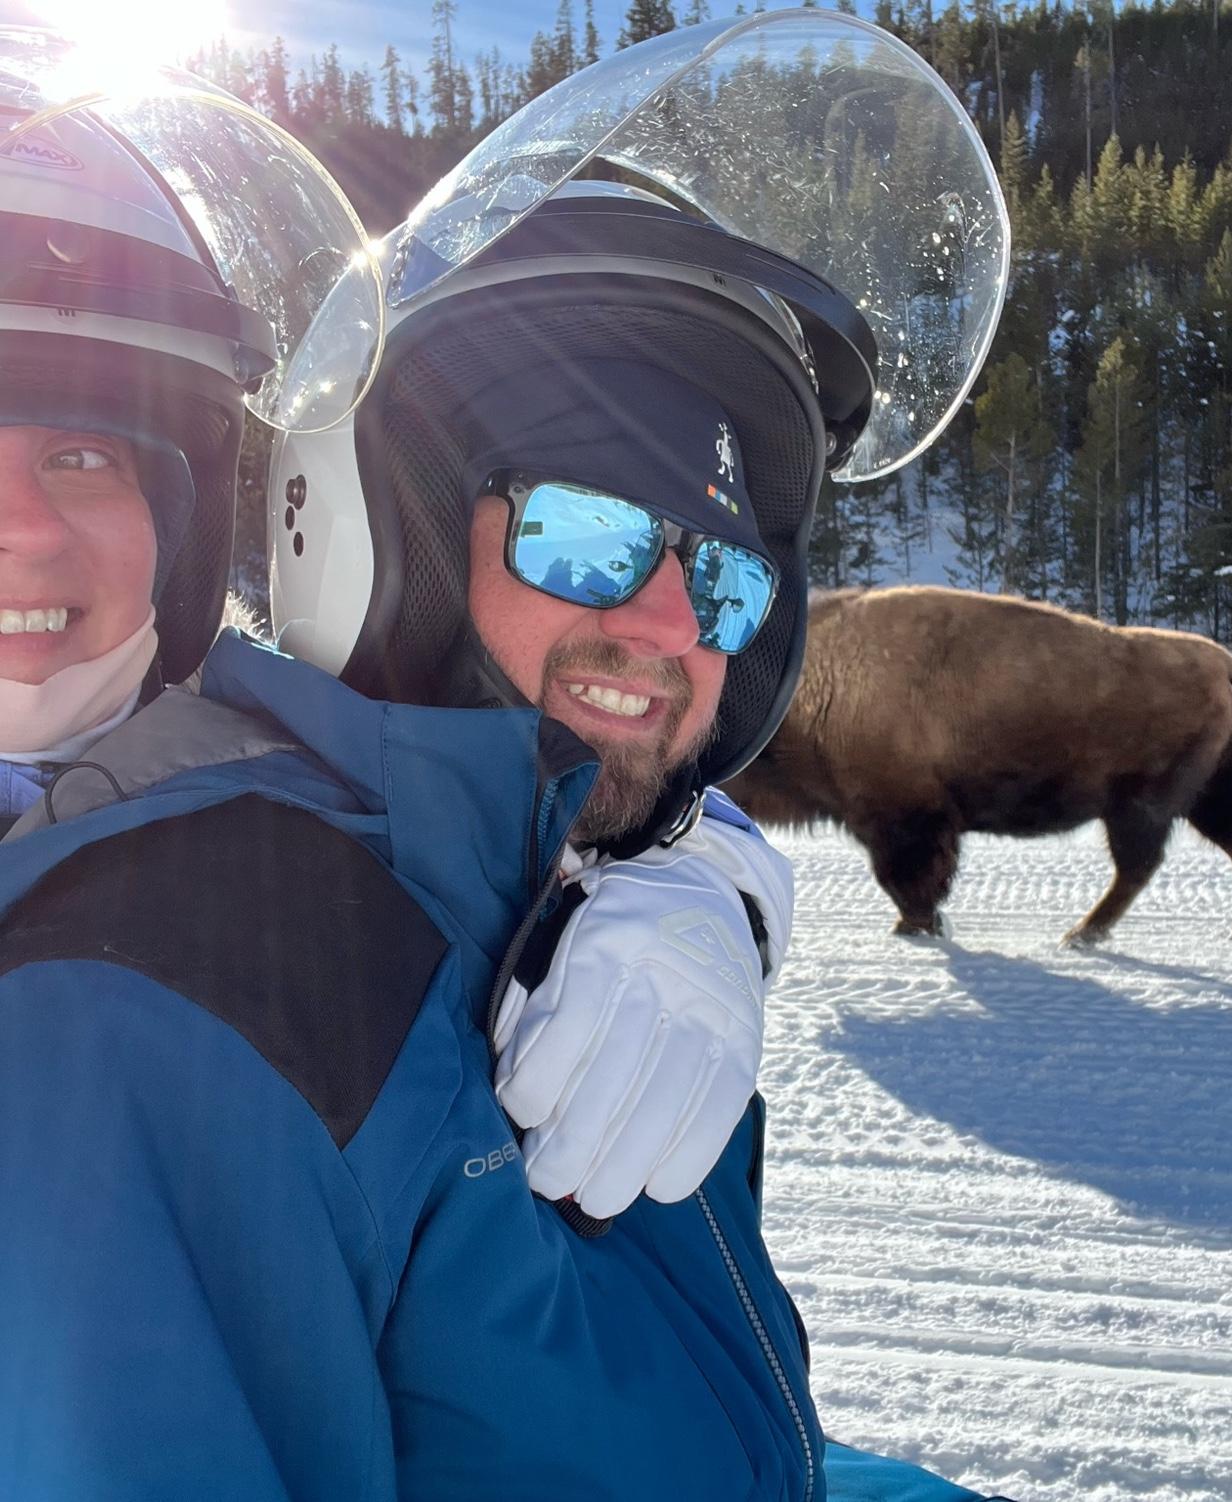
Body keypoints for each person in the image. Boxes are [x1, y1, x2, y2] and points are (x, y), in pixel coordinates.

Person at [1, 13, 1013, 1499]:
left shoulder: (492, 917)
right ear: (384, 536)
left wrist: (671, 871)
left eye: (726, 580)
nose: (671, 621)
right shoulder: (173, 995)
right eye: (586, 532)